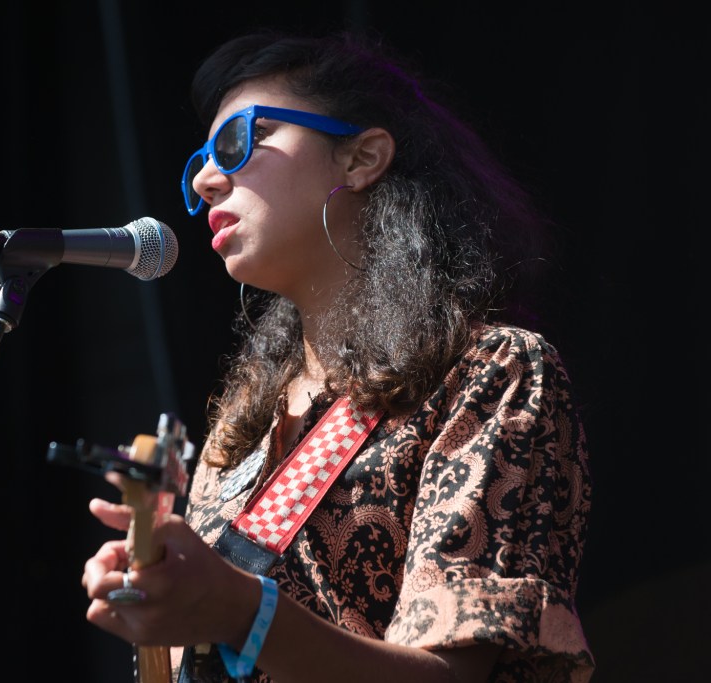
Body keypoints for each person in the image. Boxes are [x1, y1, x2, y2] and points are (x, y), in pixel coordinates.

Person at [81, 26, 595, 683]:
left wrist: (241, 609)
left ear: (361, 159)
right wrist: (161, 600)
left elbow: (455, 675)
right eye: (199, 162)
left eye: (238, 142)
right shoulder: (241, 424)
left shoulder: (491, 373)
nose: (207, 179)